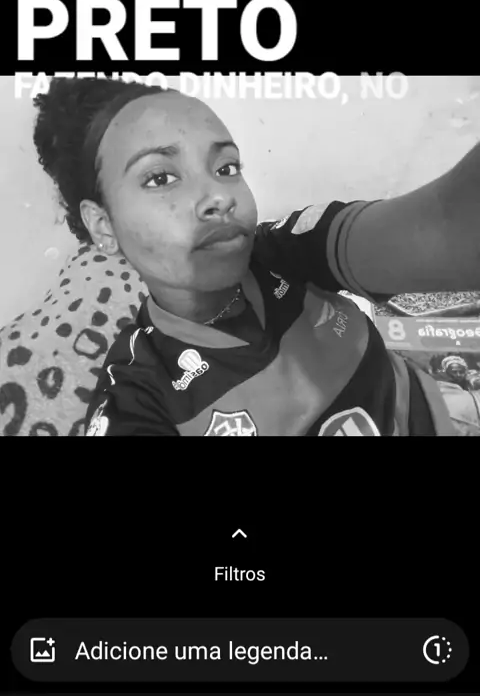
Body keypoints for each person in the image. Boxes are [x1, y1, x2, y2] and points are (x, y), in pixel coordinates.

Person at [32, 77, 480, 436]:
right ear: (103, 227)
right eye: (161, 178)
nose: (218, 196)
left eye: (226, 168)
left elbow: (443, 228)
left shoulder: (289, 248)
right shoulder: (139, 394)